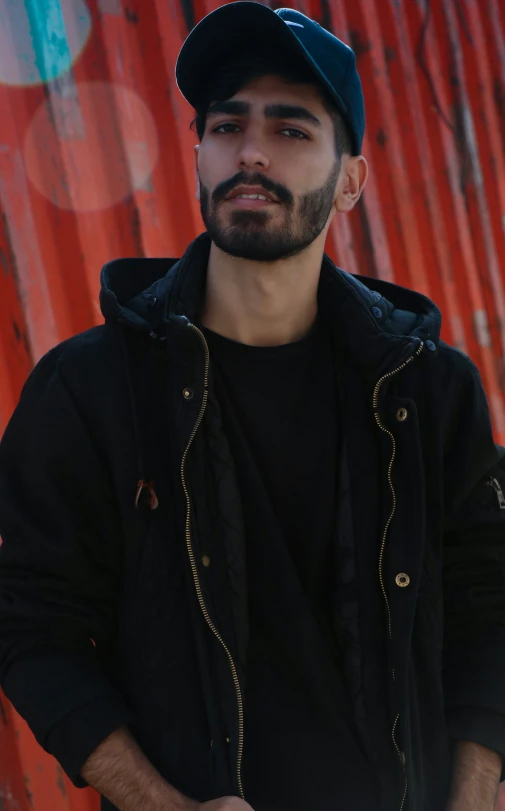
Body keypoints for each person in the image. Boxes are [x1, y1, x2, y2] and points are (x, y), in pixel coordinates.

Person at [0, 3, 504, 810]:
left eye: (292, 131)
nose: (252, 154)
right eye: (227, 127)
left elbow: (489, 595)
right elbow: (29, 623)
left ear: (350, 181)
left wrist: (474, 790)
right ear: (197, 153)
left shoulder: (429, 389)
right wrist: (162, 803)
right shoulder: (89, 391)